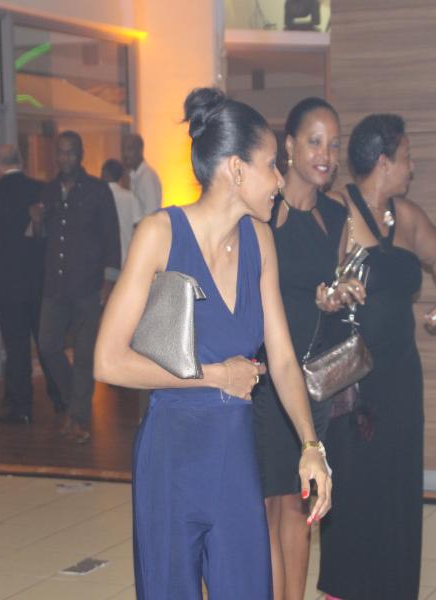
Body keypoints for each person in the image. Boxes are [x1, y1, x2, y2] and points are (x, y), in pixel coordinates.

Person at [94, 87, 332, 600]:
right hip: (171, 455)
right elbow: (109, 361)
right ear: (236, 170)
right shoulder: (160, 234)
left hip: (234, 457)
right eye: (271, 166)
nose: (280, 180)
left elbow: (283, 358)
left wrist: (311, 446)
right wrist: (216, 376)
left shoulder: (260, 241)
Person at [318, 114, 436, 600]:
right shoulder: (337, 212)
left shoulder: (407, 216)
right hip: (354, 385)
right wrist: (330, 292)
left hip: (401, 378)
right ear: (383, 162)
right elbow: (312, 284)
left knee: (398, 488)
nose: (412, 167)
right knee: (355, 490)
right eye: (407, 157)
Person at [252, 97, 363, 600]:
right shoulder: (264, 212)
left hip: (308, 384)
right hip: (264, 379)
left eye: (334, 145)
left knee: (299, 508)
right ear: (290, 146)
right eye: (315, 142)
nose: (326, 155)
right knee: (267, 507)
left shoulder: (335, 217)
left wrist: (334, 297)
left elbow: (326, 292)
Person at [36, 131, 120, 444]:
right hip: (54, 285)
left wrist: (109, 283)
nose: (65, 158)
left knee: (85, 355)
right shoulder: (48, 191)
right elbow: (41, 238)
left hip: (87, 285)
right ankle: (77, 401)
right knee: (47, 345)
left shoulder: (97, 190)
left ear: (81, 154)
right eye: (60, 152)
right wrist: (36, 221)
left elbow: (112, 238)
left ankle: (78, 419)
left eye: (70, 152)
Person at [0, 144, 62, 424]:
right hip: (39, 281)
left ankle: (22, 406)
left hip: (6, 283)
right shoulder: (41, 190)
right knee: (46, 342)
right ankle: (61, 396)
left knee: (17, 346)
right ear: (22, 162)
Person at [101, 159, 143, 267]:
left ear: (103, 174)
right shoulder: (130, 197)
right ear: (120, 176)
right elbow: (138, 227)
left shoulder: (97, 196)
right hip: (126, 258)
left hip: (103, 259)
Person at [121, 133, 162, 217]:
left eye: (129, 149)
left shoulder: (148, 177)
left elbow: (152, 213)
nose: (125, 154)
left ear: (140, 150)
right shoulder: (133, 176)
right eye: (123, 150)